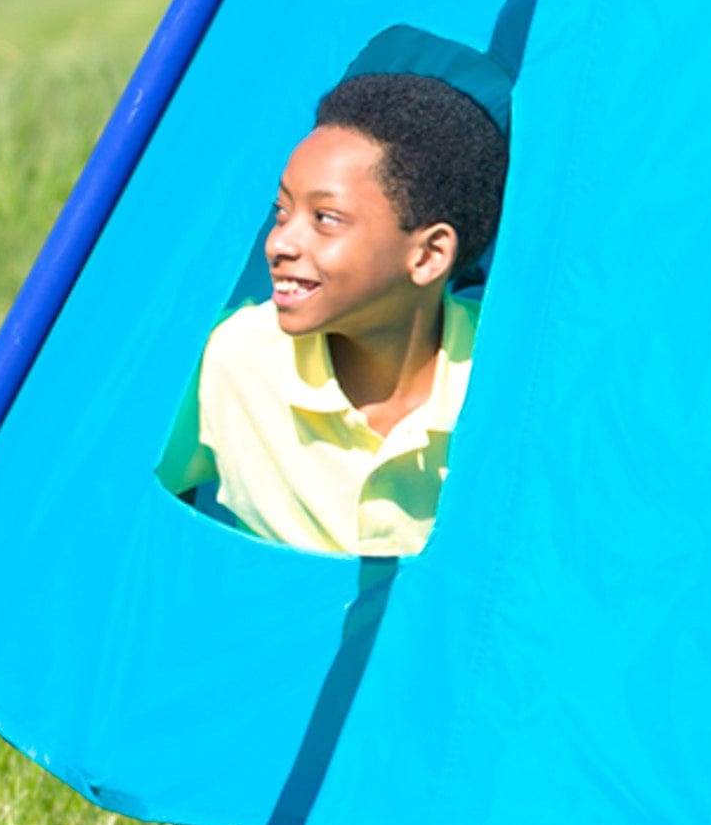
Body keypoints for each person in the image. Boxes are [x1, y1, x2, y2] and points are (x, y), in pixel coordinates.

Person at [172, 68, 508, 558]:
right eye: (282, 212)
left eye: (325, 219)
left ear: (429, 255)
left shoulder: (509, 376)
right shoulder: (231, 358)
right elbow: (112, 500)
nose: (279, 243)